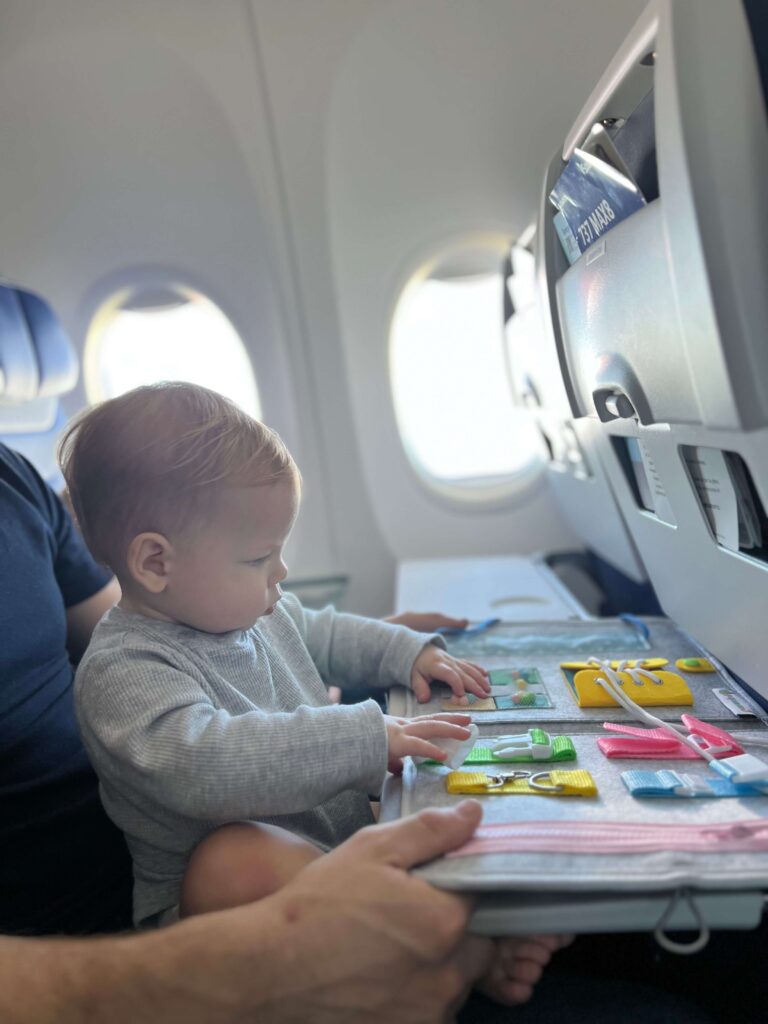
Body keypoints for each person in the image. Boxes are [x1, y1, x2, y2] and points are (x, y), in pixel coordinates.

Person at [59, 381, 566, 1006]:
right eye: (259, 557)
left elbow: (324, 632)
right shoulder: (125, 671)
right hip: (222, 919)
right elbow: (206, 764)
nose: (281, 573)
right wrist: (364, 737)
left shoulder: (250, 609)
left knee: (440, 797)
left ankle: (461, 916)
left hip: (330, 846)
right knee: (230, 860)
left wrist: (408, 653)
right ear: (155, 564)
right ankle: (458, 953)